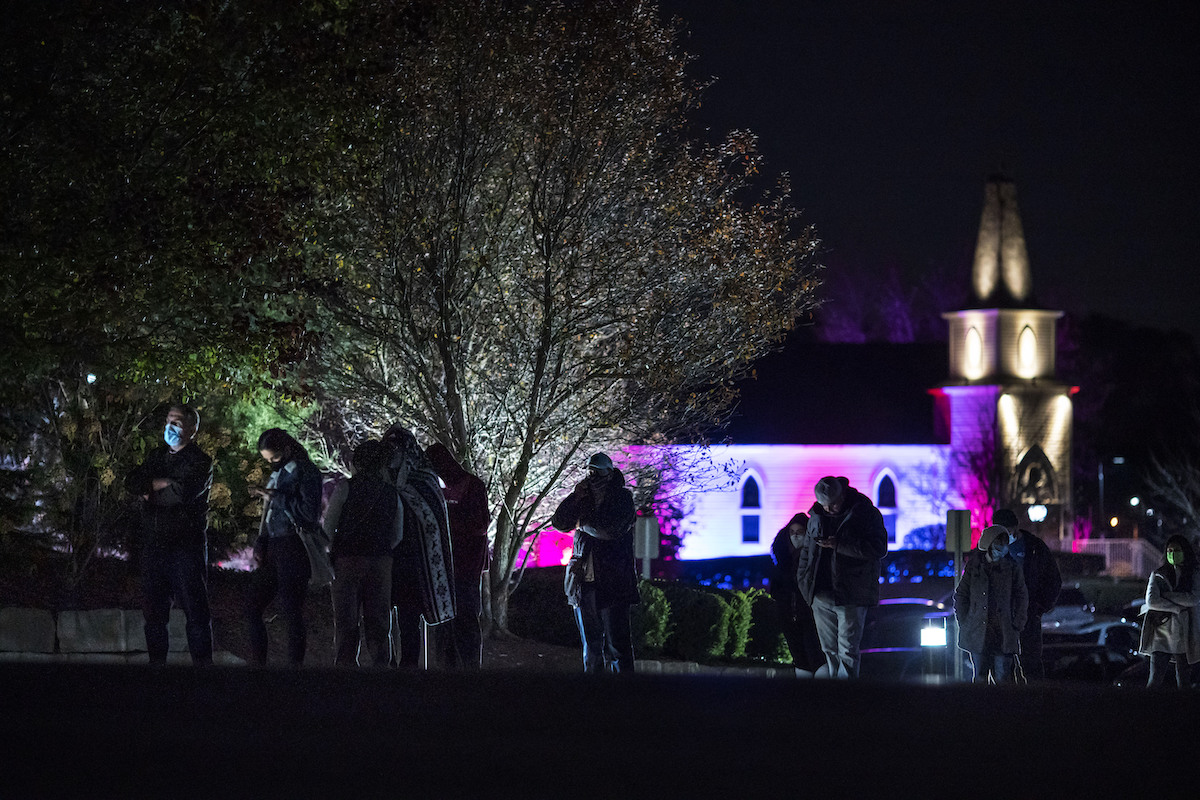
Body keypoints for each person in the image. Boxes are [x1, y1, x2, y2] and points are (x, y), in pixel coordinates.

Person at [125, 404, 214, 664]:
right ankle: (157, 671)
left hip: (185, 548)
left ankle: (204, 672)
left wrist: (150, 490)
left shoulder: (199, 461)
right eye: (168, 422)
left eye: (175, 422)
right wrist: (158, 483)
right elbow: (131, 481)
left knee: (195, 613)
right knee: (153, 615)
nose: (170, 427)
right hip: (154, 547)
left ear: (192, 429)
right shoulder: (157, 456)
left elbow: (181, 494)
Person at [550, 452, 639, 673]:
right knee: (591, 646)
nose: (593, 477)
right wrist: (575, 497)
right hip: (584, 582)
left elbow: (611, 530)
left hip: (613, 581)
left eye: (597, 472)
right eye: (590, 472)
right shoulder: (584, 497)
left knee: (617, 645)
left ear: (609, 473)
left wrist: (582, 523)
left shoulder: (622, 499)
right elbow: (559, 522)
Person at [795, 476, 888, 679]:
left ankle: (844, 699)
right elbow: (806, 554)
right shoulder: (817, 516)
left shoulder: (865, 514)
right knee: (830, 651)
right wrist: (805, 585)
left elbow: (878, 548)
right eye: (824, 505)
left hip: (851, 594)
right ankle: (835, 698)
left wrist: (839, 544)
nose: (828, 509)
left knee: (847, 651)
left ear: (843, 494)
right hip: (821, 595)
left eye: (833, 504)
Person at [246, 428, 323, 665]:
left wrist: (276, 496)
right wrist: (261, 541)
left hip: (294, 545)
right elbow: (269, 514)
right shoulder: (278, 473)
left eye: (274, 458)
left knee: (291, 611)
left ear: (287, 450)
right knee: (252, 606)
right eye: (268, 460)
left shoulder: (306, 471)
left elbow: (309, 513)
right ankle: (258, 664)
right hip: (273, 545)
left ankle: (294, 671)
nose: (272, 464)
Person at [383, 425, 454, 668]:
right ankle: (387, 664)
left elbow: (432, 519)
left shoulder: (425, 477)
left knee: (409, 618)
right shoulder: (383, 479)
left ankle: (410, 668)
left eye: (395, 449)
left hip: (415, 562)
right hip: (386, 558)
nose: (391, 454)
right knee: (382, 619)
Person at [324, 440, 396, 667]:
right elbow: (398, 533)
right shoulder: (391, 492)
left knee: (346, 621)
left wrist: (332, 550)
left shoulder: (346, 488)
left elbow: (328, 527)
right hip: (381, 563)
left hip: (347, 561)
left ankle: (346, 670)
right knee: (379, 621)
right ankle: (382, 669)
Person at [425, 442, 491, 670]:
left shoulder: (473, 486)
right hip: (441, 569)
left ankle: (470, 671)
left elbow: (481, 524)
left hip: (465, 567)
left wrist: (447, 521)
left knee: (466, 621)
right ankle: (447, 670)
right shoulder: (435, 487)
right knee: (443, 624)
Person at [992, 507, 1062, 681]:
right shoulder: (992, 549)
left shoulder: (1034, 547)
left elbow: (1052, 579)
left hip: (1027, 617)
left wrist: (1040, 607)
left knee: (1031, 666)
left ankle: (1033, 704)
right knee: (1002, 670)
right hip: (1001, 619)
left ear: (1014, 527)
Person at [954, 525, 1028, 684]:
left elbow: (1022, 596)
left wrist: (1017, 623)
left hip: (1004, 633)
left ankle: (1002, 709)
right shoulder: (974, 567)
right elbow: (961, 595)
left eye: (1004, 543)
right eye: (998, 543)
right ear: (989, 544)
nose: (1002, 547)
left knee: (1003, 680)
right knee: (980, 678)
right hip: (979, 632)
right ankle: (981, 709)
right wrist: (965, 621)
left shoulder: (1012, 568)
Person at [1137, 535, 1200, 688]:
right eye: (1169, 550)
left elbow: (1193, 598)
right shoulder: (1158, 574)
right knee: (1155, 679)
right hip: (1161, 634)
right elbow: (1151, 601)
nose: (1172, 554)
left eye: (1176, 550)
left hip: (1184, 635)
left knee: (1183, 680)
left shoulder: (1193, 574)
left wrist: (1166, 596)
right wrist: (1176, 608)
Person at [768, 512, 824, 674]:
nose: (796, 537)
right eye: (792, 533)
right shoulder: (783, 562)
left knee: (816, 658)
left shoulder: (815, 561)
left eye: (800, 532)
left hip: (811, 618)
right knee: (800, 660)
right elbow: (776, 590)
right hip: (789, 619)